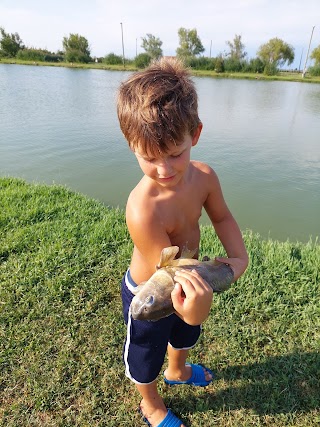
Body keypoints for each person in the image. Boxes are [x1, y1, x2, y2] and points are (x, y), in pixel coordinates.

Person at [117, 57, 248, 427]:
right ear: (131, 145)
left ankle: (178, 370)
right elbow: (167, 275)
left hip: (188, 276)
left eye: (175, 153)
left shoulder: (205, 177)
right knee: (147, 350)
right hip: (153, 290)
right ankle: (151, 403)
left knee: (186, 333)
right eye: (149, 157)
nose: (164, 169)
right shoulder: (142, 210)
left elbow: (222, 217)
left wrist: (238, 257)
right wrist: (195, 308)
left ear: (196, 134)